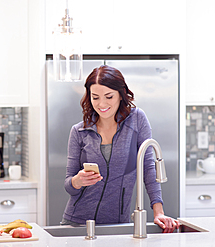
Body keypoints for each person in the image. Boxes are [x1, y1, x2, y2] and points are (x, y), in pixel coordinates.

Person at [61, 65, 179, 233]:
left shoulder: (137, 119)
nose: (102, 104)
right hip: (77, 222)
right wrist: (77, 181)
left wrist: (158, 212)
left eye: (109, 96)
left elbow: (147, 167)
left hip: (116, 224)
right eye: (95, 97)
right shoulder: (79, 131)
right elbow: (68, 185)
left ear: (121, 94)